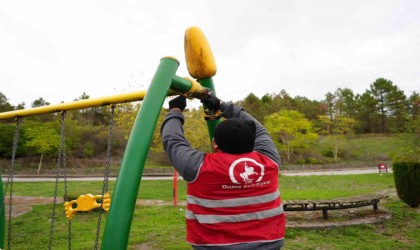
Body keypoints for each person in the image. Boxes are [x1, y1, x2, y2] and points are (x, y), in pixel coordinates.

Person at [161, 94, 285, 250]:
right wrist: (222, 105)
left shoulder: (199, 167)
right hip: (269, 245)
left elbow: (173, 139)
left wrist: (175, 109)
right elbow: (259, 130)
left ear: (215, 145)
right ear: (253, 142)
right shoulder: (269, 161)